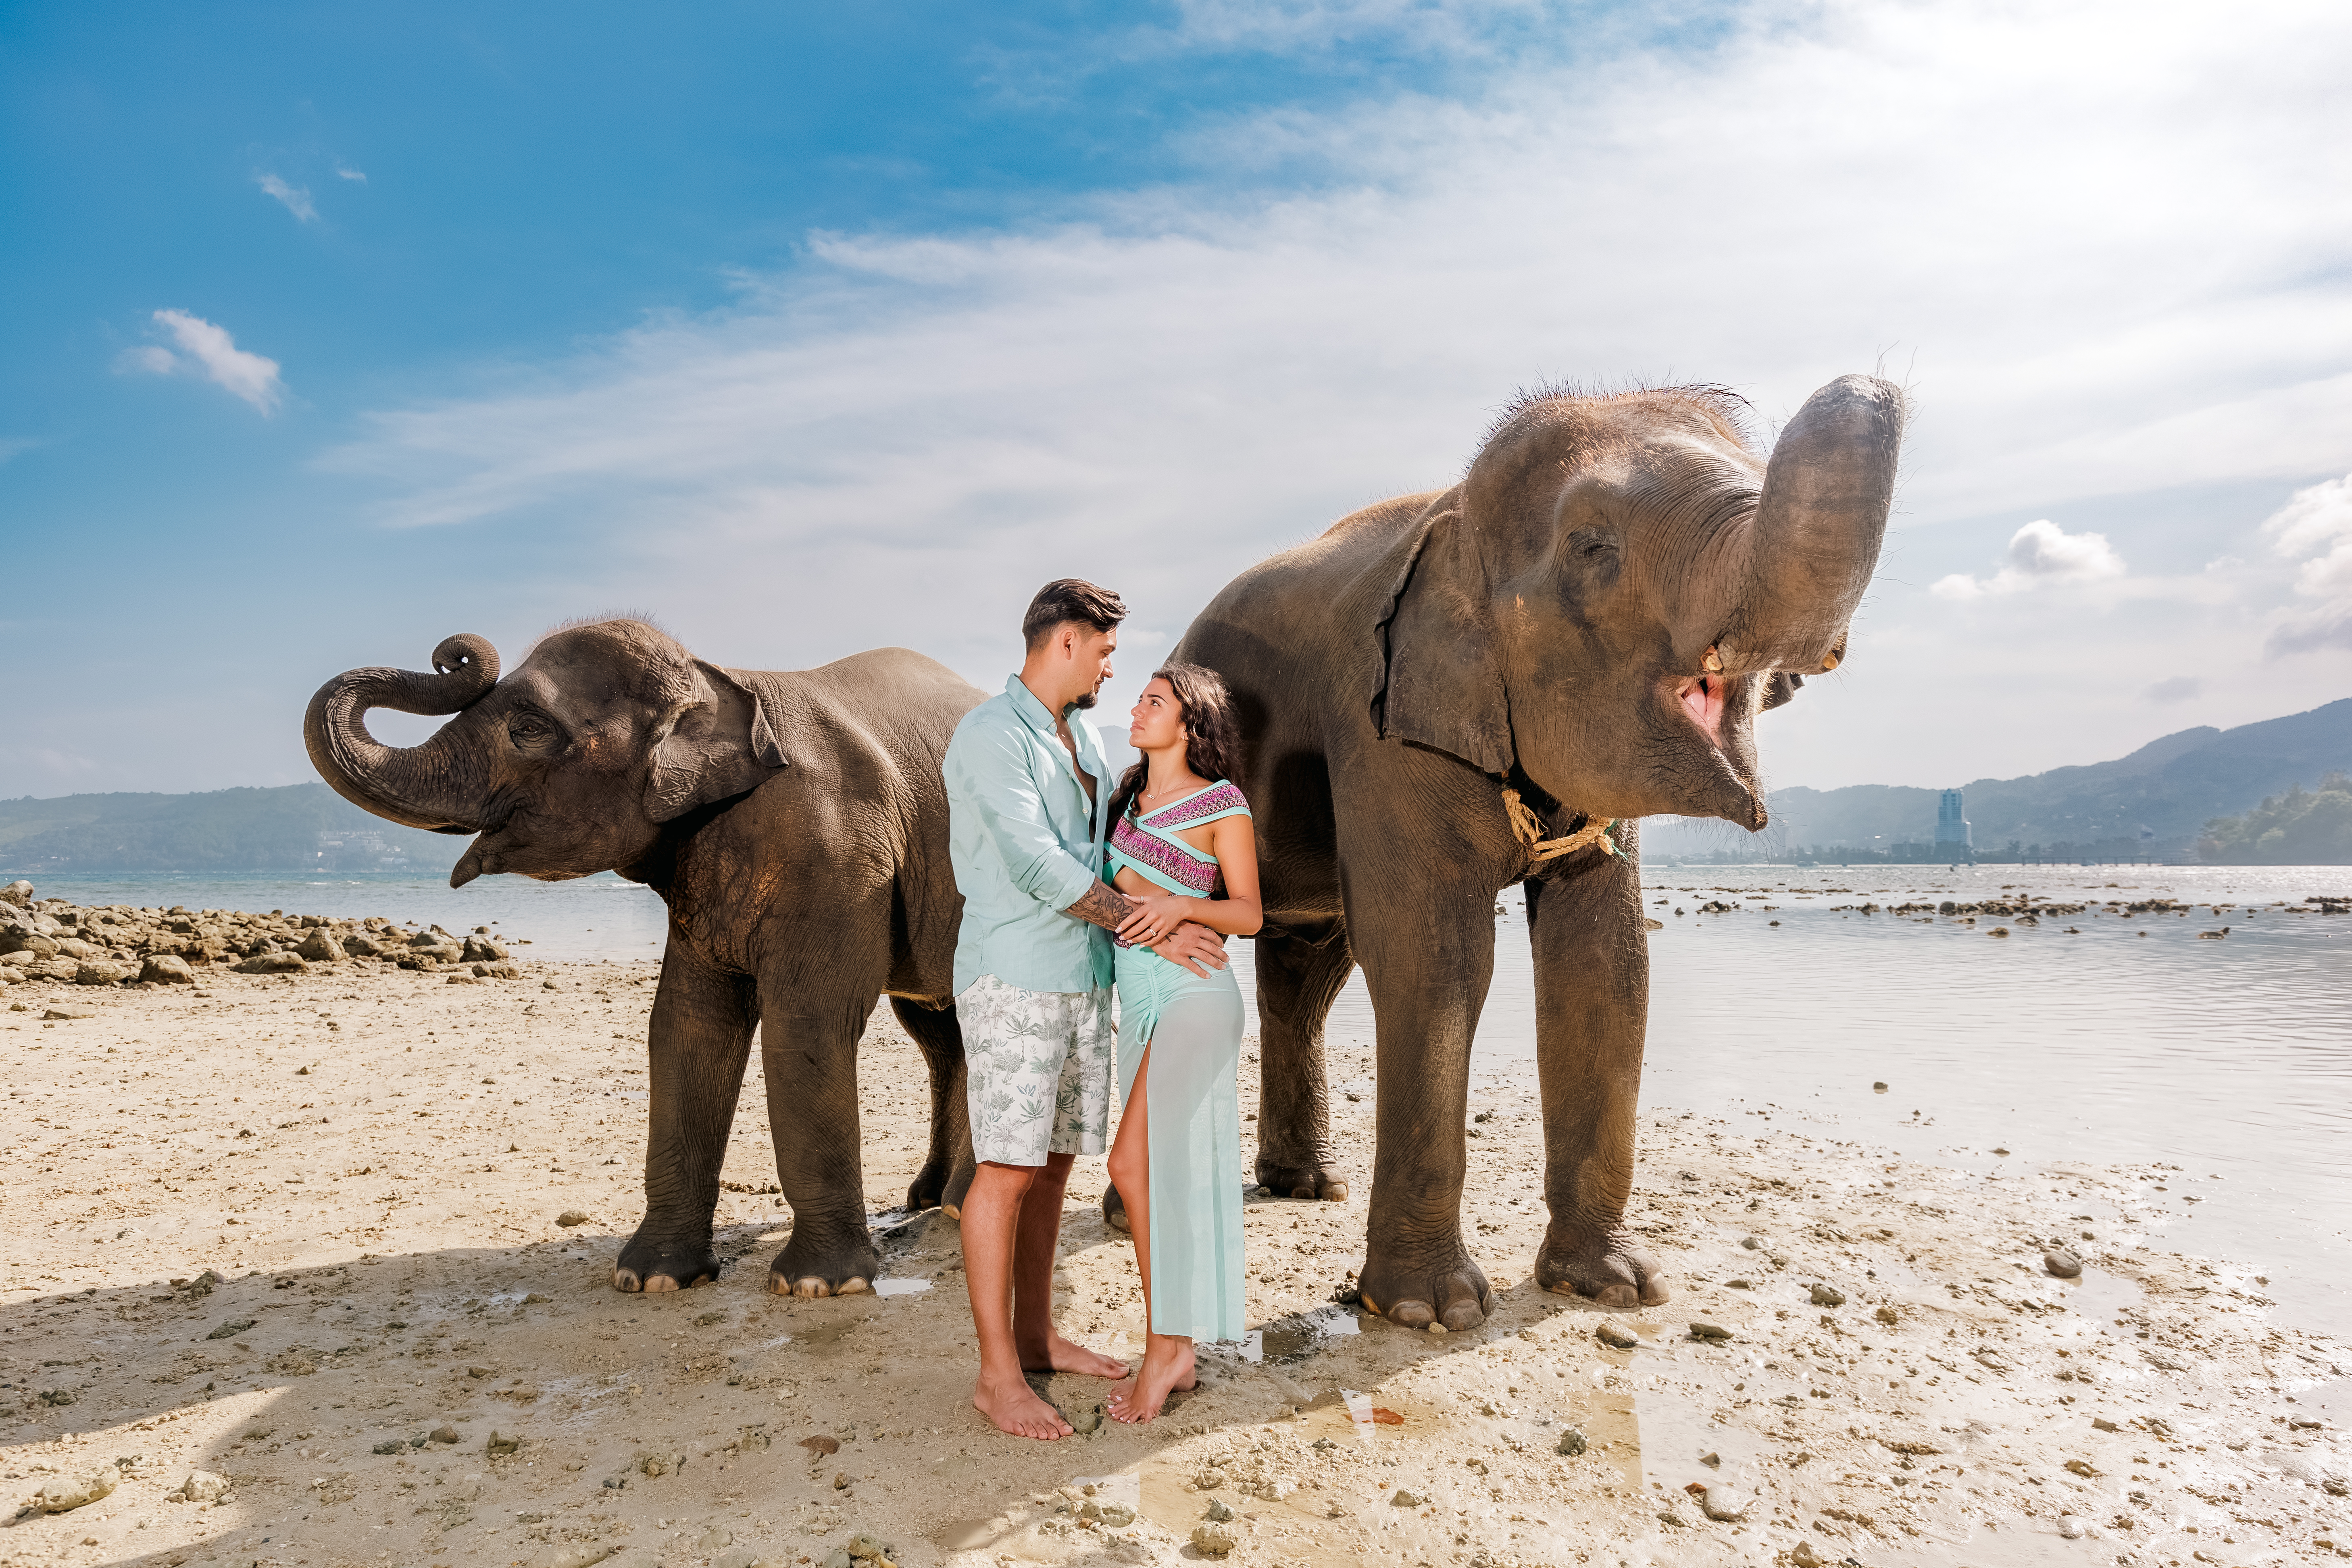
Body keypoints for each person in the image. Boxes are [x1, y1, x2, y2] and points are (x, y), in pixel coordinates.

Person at [942, 579, 1229, 1441]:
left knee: (1058, 1163)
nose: (1112, 668)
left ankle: (1035, 1335)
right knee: (1005, 1169)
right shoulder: (991, 737)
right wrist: (1157, 927)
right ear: (1066, 642)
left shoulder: (1090, 742)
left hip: (1088, 978)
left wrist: (1184, 912)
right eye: (1105, 652)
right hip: (1015, 978)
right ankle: (998, 1376)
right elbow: (1040, 867)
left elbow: (1114, 852)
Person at [1101, 664, 1261, 1424]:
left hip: (1198, 996)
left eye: (1153, 701)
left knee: (1134, 1164)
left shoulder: (1221, 803)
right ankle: (1176, 1347)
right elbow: (1106, 905)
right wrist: (1151, 920)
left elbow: (1249, 913)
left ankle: (1167, 1346)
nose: (1137, 708)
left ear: (1189, 720)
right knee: (1148, 1172)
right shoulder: (1126, 800)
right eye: (1137, 698)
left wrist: (1173, 903)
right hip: (1138, 1000)